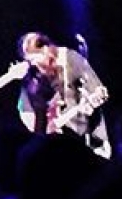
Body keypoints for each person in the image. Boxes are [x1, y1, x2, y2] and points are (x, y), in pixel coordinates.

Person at [15, 30, 111, 159]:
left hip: (87, 138)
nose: (34, 64)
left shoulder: (71, 59)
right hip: (60, 145)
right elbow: (28, 113)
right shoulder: (34, 77)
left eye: (34, 58)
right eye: (30, 61)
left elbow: (98, 90)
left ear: (45, 49)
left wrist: (90, 103)